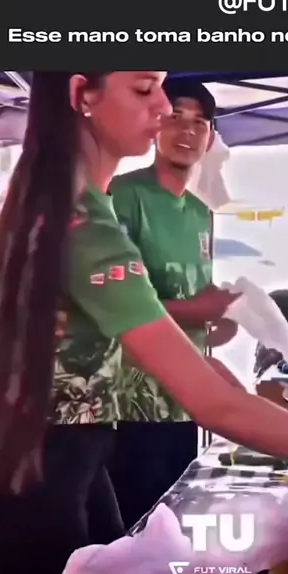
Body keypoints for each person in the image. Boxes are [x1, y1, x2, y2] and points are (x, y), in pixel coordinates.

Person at [0, 71, 288, 574]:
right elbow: (216, 407)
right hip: (35, 474)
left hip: (56, 455)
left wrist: (195, 358)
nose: (161, 107)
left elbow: (37, 343)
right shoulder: (85, 222)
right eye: (143, 88)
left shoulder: (57, 199)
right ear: (82, 94)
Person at [109, 78, 239, 528]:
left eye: (199, 123)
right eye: (175, 118)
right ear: (155, 125)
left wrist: (221, 320)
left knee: (176, 521)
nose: (187, 131)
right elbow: (113, 303)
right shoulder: (122, 196)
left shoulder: (201, 211)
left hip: (186, 399)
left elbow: (194, 295)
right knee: (134, 525)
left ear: (211, 136)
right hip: (130, 401)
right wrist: (198, 311)